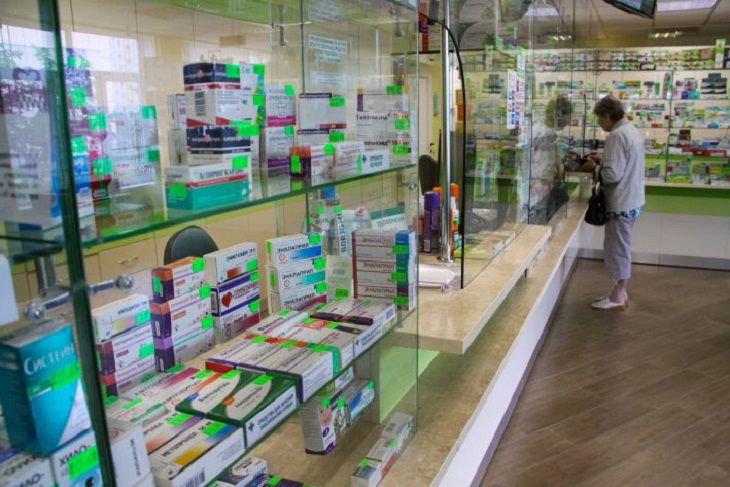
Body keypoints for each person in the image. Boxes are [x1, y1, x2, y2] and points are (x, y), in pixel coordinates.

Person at [590, 95, 645, 310]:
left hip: (621, 202)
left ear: (607, 115)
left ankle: (618, 296)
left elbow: (612, 175)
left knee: (618, 249)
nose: (598, 123)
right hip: (632, 200)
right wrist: (603, 161)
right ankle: (618, 291)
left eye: (599, 118)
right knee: (621, 246)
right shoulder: (631, 130)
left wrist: (595, 168)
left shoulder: (616, 135)